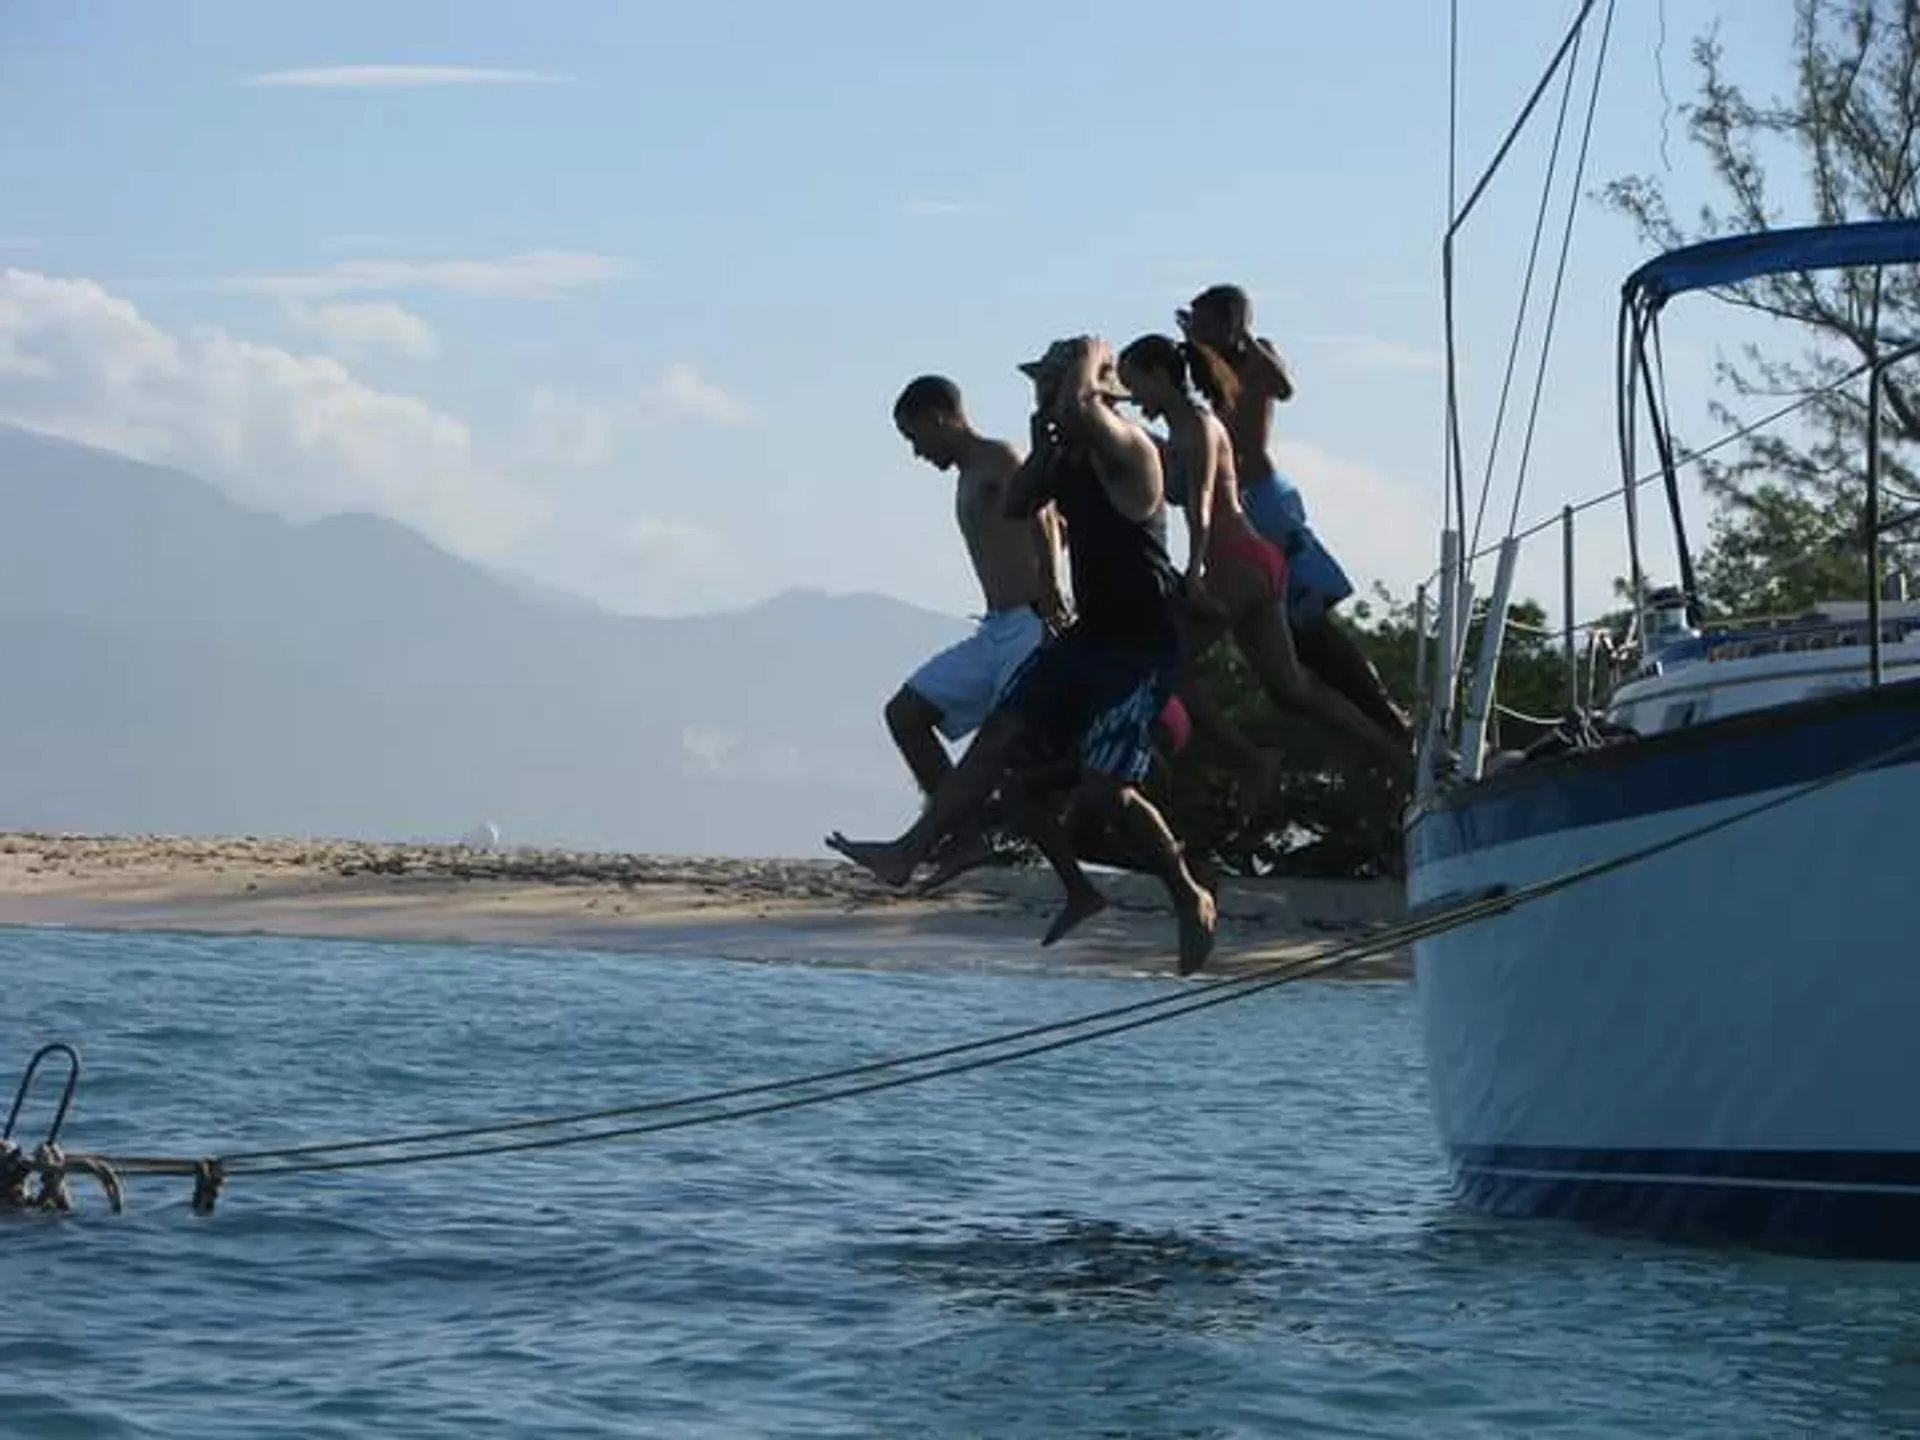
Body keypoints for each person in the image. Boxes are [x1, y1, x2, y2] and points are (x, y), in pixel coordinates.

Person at [829, 336, 1217, 974]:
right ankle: (911, 849)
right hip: (1087, 639)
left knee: (1105, 793)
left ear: (1085, 392)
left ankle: (1187, 893)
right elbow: (1017, 503)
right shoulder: (1065, 455)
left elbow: (1088, 413)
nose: (1040, 398)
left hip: (1140, 650)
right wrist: (1047, 440)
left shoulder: (1128, 449)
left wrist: (1089, 366)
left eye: (1050, 387)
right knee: (998, 740)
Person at [1115, 333, 1413, 785]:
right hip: (1253, 561)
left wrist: (1194, 573)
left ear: (1159, 376)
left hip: (1235, 559)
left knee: (1163, 664)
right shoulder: (1184, 431)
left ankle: (1252, 760)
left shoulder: (1199, 425)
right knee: (1292, 688)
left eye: (1135, 386)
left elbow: (1201, 505)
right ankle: (1395, 756)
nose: (1135, 399)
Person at [1179, 285, 1413, 750]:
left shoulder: (1256, 357)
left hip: (1266, 501)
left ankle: (1391, 719)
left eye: (1206, 322)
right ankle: (1379, 734)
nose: (1197, 331)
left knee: (1310, 626)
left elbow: (1284, 387)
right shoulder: (1211, 370)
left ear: (1229, 322)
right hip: (1240, 506)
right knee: (1288, 661)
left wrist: (1239, 336)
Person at [884, 375, 1070, 878]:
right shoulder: (969, 474)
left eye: (914, 437)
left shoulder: (997, 457)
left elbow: (1045, 513)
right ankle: (964, 839)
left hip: (1030, 624)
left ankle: (1074, 874)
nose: (917, 452)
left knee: (1007, 754)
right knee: (905, 714)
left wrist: (1051, 586)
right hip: (994, 631)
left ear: (937, 418)